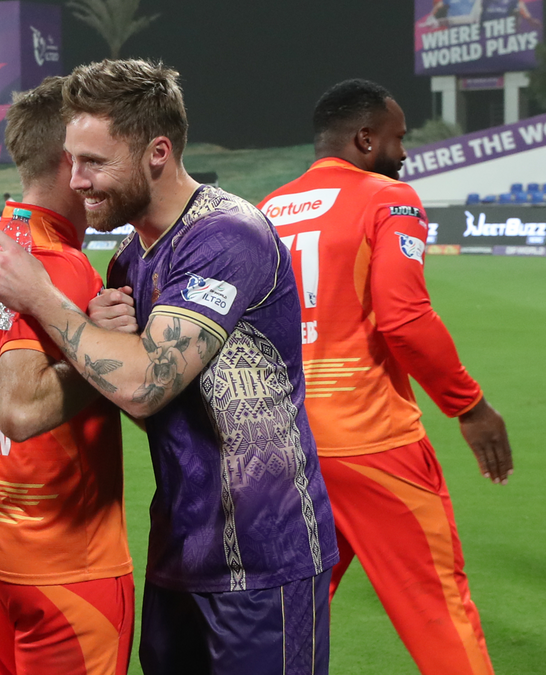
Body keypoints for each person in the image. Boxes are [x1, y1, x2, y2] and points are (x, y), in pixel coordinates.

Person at [0, 59, 339, 675]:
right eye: (72, 161)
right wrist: (97, 340)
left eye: (95, 162)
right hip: (179, 553)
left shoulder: (226, 237)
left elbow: (144, 385)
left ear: (157, 153)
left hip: (263, 557)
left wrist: (41, 297)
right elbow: (146, 403)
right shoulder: (127, 261)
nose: (77, 180)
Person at [258, 79, 512, 675]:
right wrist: (469, 406)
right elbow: (405, 319)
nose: (404, 153)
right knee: (435, 606)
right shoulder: (388, 198)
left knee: (285, 621)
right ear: (365, 139)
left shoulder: (267, 210)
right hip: (372, 442)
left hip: (285, 447)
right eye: (398, 138)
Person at [0, 77, 134, 675]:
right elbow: (21, 409)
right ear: (69, 161)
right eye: (96, 155)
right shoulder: (59, 263)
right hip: (62, 558)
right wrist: (107, 347)